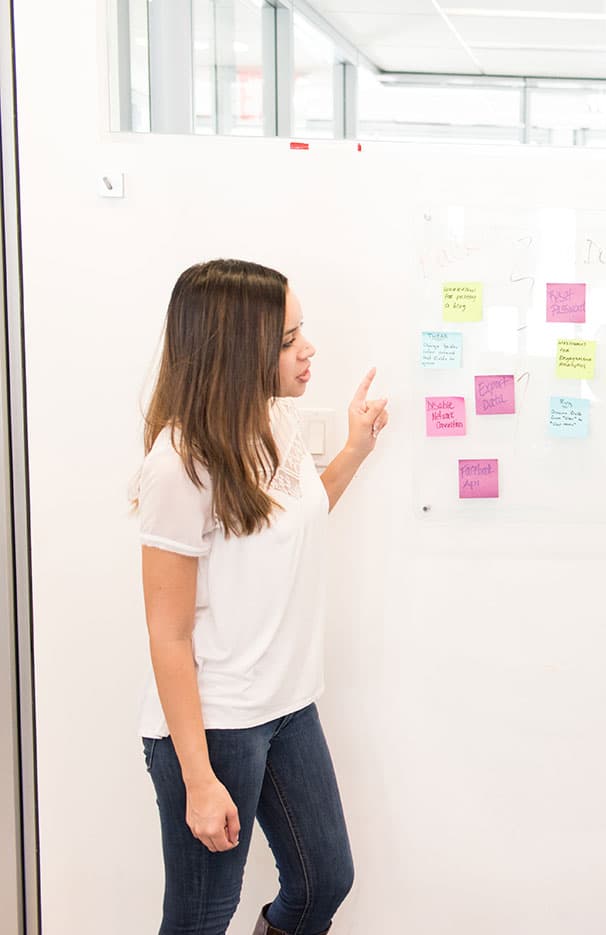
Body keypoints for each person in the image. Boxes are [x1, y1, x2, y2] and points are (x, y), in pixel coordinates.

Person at [135, 259, 389, 935]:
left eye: (302, 332)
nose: (308, 349)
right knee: (200, 917)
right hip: (217, 721)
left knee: (324, 880)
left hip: (288, 704)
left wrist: (356, 450)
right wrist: (198, 778)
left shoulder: (275, 422)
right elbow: (167, 633)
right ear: (235, 349)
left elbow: (295, 519)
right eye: (287, 339)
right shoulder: (178, 464)